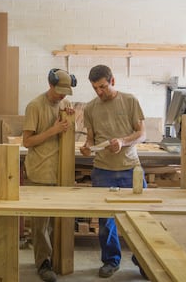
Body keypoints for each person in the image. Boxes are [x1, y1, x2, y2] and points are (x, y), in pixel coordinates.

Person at [79, 64, 147, 279]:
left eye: (102, 87)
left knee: (140, 220)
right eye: (95, 88)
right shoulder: (90, 108)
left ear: (112, 81)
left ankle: (143, 261)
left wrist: (123, 141)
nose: (99, 92)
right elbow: (91, 138)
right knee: (105, 222)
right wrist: (86, 147)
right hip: (103, 170)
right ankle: (111, 261)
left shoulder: (129, 101)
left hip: (130, 169)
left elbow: (141, 133)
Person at [22, 68, 76, 282]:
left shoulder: (65, 105)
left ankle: (57, 260)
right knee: (40, 224)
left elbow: (68, 134)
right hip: (40, 171)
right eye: (59, 91)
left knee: (59, 221)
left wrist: (71, 121)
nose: (62, 96)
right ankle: (43, 263)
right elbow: (27, 141)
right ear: (50, 85)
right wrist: (53, 130)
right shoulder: (35, 106)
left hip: (59, 172)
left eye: (66, 92)